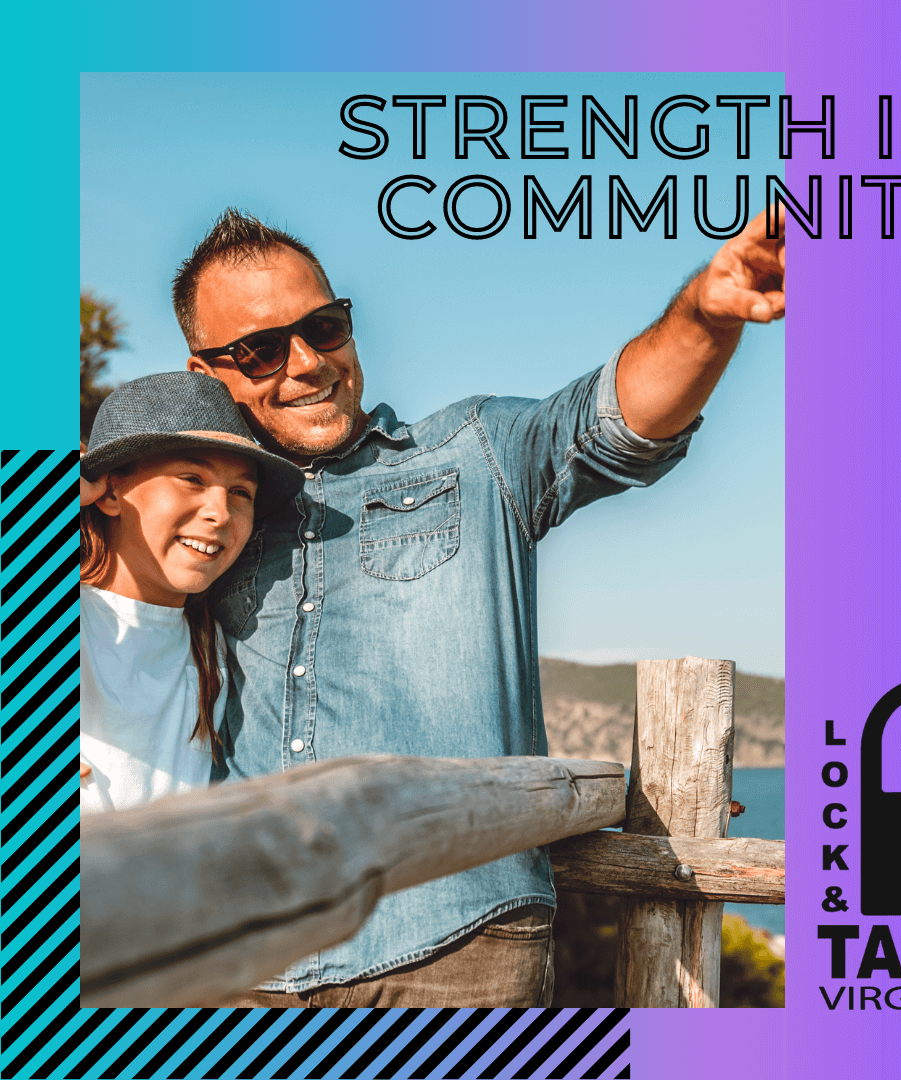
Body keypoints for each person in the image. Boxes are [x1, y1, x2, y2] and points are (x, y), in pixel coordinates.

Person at [173, 206, 785, 1007]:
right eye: (258, 349)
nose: (306, 363)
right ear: (202, 375)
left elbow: (619, 421)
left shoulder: (477, 453)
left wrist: (707, 312)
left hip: (453, 954)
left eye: (324, 328)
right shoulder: (197, 519)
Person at [79, 372, 303, 814]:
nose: (219, 512)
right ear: (109, 491)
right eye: (191, 479)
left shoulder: (213, 648)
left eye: (241, 492)